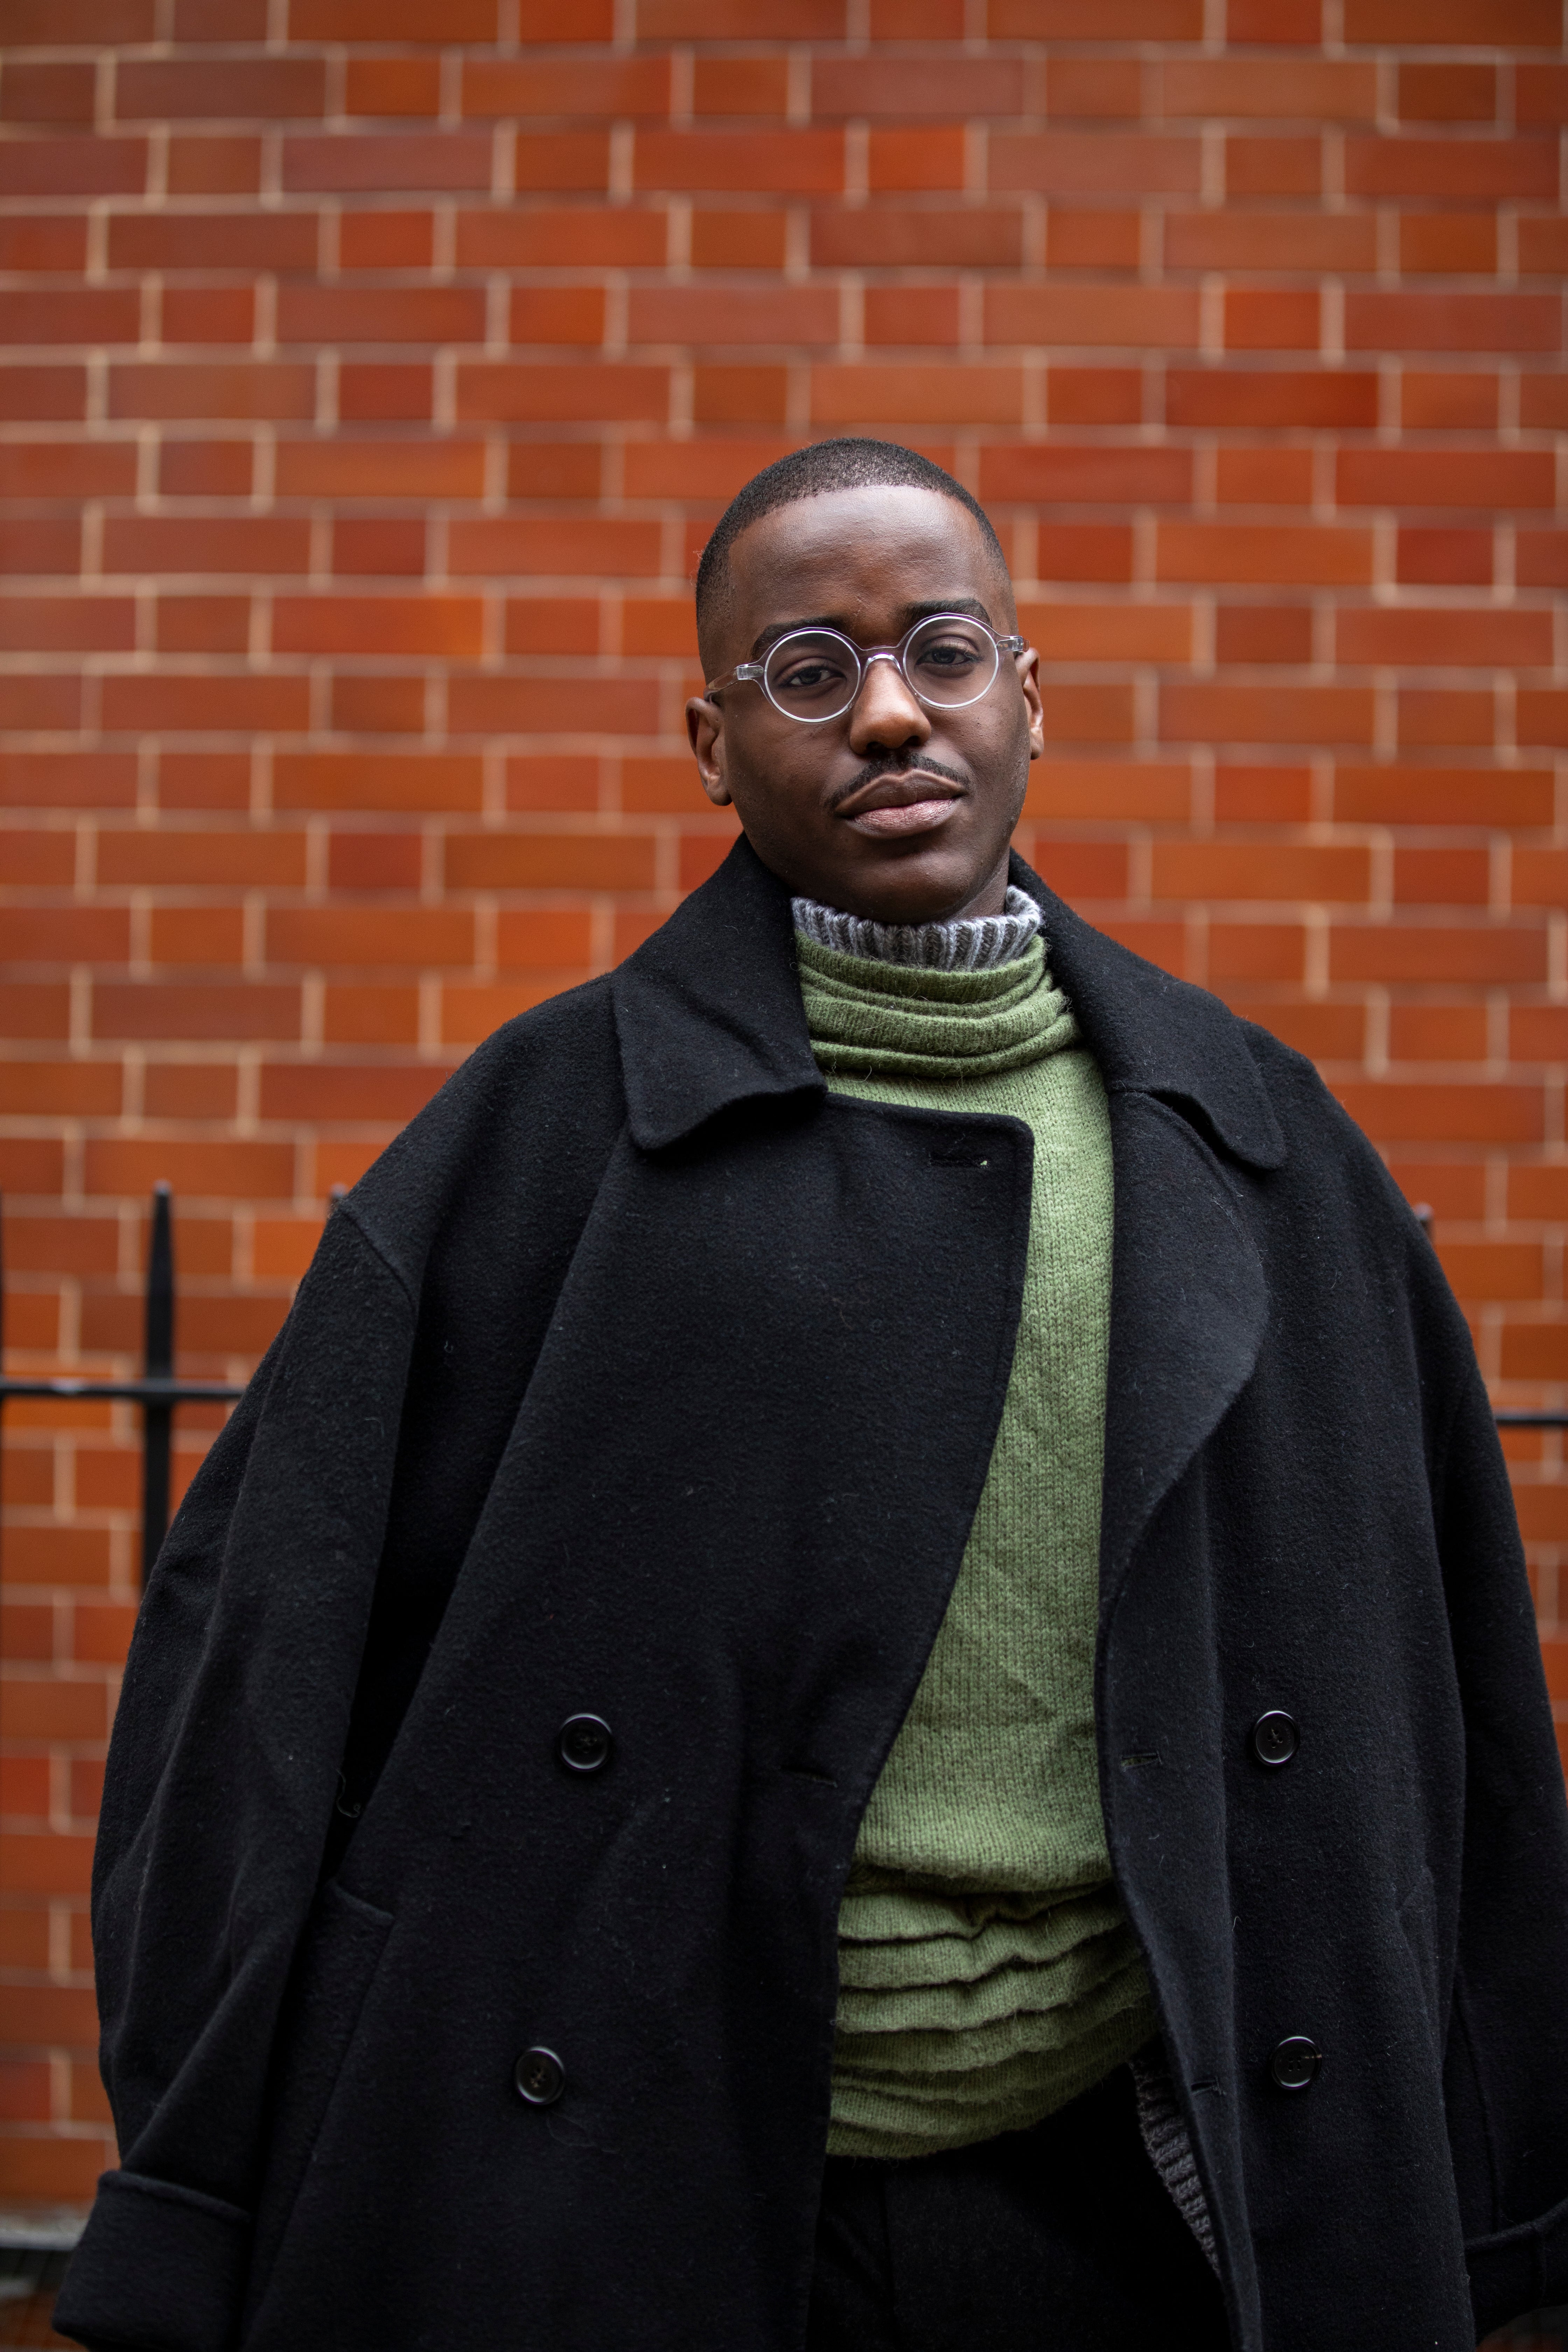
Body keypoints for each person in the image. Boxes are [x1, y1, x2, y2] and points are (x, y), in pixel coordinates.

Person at [55, 440, 1568, 2352]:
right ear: (709, 738)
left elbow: (1463, 1709)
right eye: (806, 670)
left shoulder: (1258, 1147)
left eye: (942, 650)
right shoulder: (537, 1143)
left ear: (1032, 696)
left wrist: (1510, 2196)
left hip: (1141, 2197)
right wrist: (190, 2198)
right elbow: (247, 1676)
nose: (885, 712)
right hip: (647, 2186)